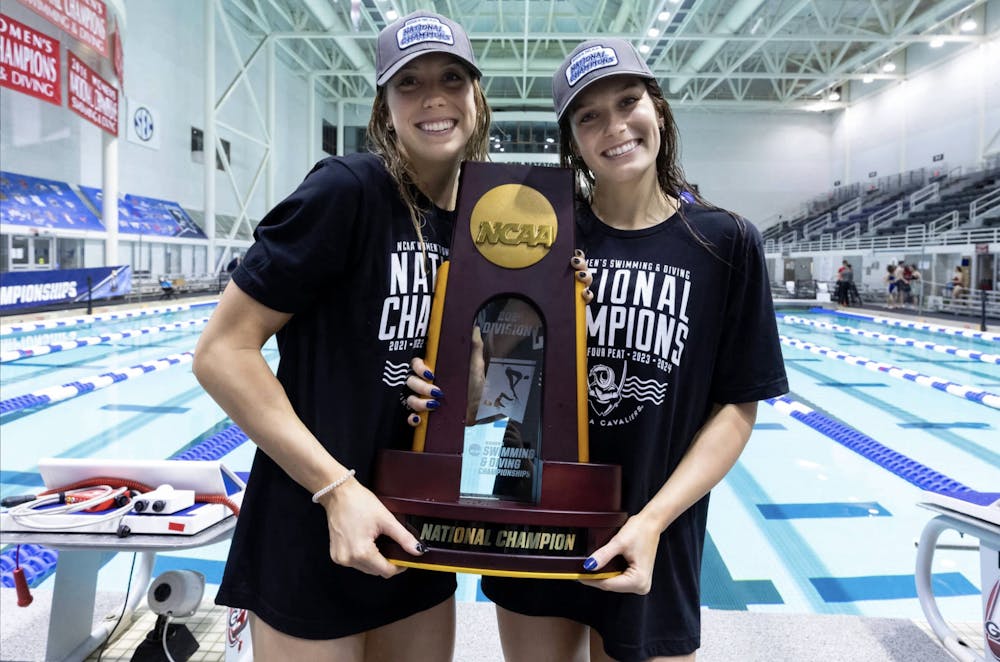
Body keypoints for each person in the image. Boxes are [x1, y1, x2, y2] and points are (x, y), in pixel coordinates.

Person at [412, 39, 788, 661]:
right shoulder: (543, 235)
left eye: (628, 101)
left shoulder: (724, 242)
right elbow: (502, 392)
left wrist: (651, 522)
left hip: (654, 531)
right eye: (589, 117)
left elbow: (736, 408)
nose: (614, 127)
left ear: (658, 110)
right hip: (539, 518)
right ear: (574, 141)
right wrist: (457, 380)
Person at [191, 11, 490, 659]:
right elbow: (222, 353)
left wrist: (473, 391)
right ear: (384, 109)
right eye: (408, 84)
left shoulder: (480, 223)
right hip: (313, 521)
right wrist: (336, 488)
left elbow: (464, 392)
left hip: (417, 524)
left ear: (476, 98)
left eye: (451, 78)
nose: (434, 97)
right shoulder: (347, 191)